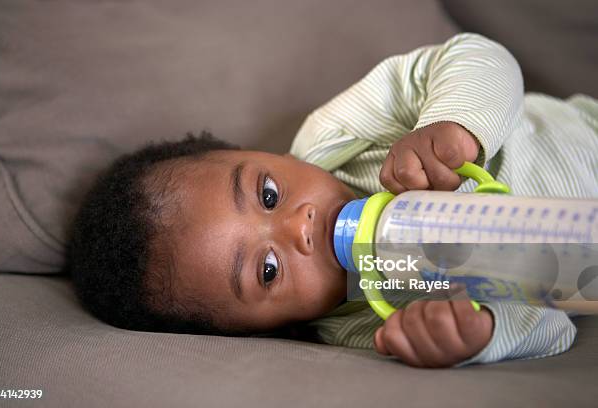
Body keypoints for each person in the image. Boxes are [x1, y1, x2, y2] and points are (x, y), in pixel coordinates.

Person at [66, 33, 597, 368]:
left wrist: (453, 125)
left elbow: (479, 55)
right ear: (265, 330)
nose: (298, 229)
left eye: (268, 194)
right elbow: (556, 324)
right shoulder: (370, 325)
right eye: (268, 271)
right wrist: (478, 333)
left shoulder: (338, 137)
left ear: (265, 153)